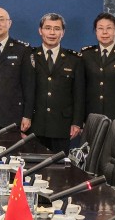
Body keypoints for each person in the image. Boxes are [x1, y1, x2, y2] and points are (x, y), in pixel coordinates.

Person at [25, 13, 84, 154]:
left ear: (63, 32)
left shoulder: (74, 59)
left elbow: (79, 94)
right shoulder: (29, 56)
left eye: (57, 29)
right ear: (40, 31)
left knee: (59, 165)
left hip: (61, 126)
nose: (52, 33)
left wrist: (77, 122)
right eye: (48, 28)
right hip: (34, 125)